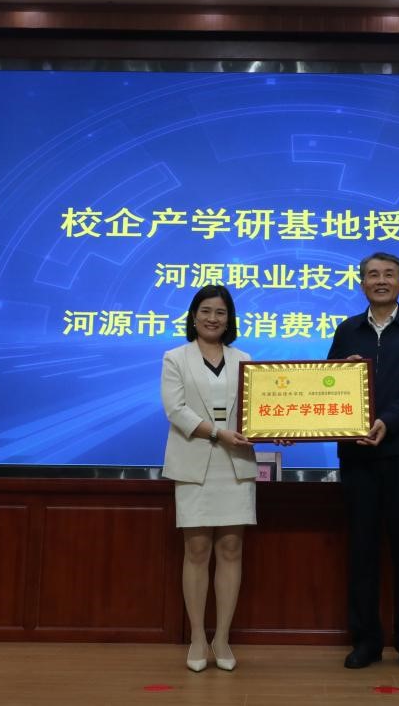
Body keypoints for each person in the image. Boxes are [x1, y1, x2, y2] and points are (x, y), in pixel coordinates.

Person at [327, 252, 399, 673]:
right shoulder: (347, 330)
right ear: (361, 283)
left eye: (389, 274)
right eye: (372, 274)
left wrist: (387, 422)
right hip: (357, 454)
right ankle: (366, 641)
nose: (381, 280)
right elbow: (325, 383)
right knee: (362, 549)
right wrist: (340, 370)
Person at [161, 284, 255, 673]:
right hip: (194, 462)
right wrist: (217, 433)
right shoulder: (175, 357)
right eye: (205, 311)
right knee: (197, 551)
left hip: (235, 465)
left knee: (231, 549)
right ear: (193, 316)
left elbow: (256, 411)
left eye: (220, 312)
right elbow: (175, 409)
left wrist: (274, 429)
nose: (212, 318)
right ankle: (198, 637)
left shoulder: (244, 359)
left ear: (229, 319)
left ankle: (223, 637)